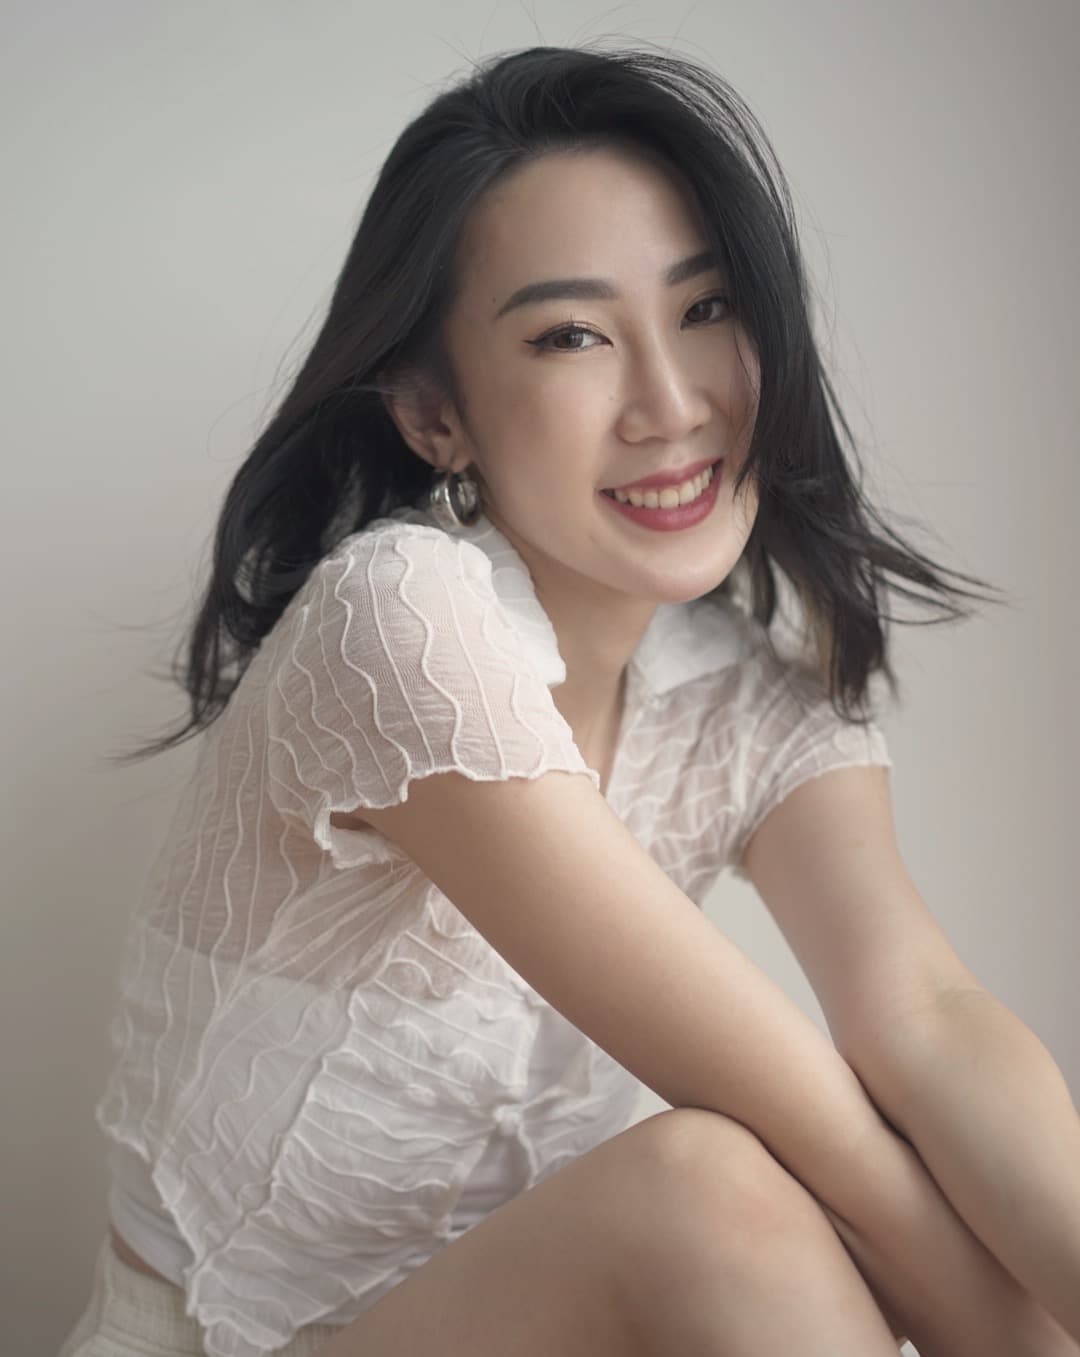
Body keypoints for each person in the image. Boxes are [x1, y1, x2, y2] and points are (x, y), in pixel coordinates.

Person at [57, 40, 1080, 1357]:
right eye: (571, 334)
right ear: (436, 414)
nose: (670, 404)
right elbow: (819, 1133)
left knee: (757, 1197)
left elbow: (927, 1016)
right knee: (714, 1190)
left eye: (708, 310)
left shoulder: (746, 702)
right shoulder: (400, 615)